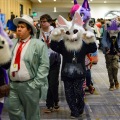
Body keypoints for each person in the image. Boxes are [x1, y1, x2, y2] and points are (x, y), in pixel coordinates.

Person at [50, 12, 97, 119]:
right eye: (68, 32)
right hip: (66, 74)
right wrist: (55, 37)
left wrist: (90, 40)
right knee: (68, 93)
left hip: (80, 73)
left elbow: (93, 49)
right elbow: (53, 47)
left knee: (79, 93)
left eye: (75, 31)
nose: (72, 35)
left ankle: (80, 107)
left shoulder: (83, 43)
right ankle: (74, 111)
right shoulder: (63, 44)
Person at [5, 15, 49, 120]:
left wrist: (35, 84)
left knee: (32, 115)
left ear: (29, 29)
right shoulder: (12, 43)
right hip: (13, 86)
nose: (18, 29)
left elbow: (44, 65)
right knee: (13, 112)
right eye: (18, 26)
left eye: (22, 27)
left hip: (30, 86)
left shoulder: (38, 45)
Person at [38, 14, 61, 113]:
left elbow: (61, 45)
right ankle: (52, 102)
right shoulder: (38, 32)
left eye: (44, 21)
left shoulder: (56, 32)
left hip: (54, 58)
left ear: (50, 22)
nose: (42, 23)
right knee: (47, 82)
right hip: (43, 59)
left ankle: (51, 103)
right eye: (41, 22)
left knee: (53, 83)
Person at [101, 19, 120, 91]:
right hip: (108, 51)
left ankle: (116, 81)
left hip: (116, 51)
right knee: (109, 68)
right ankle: (111, 84)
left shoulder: (119, 29)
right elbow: (103, 39)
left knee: (115, 67)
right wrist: (106, 47)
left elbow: (119, 39)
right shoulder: (106, 29)